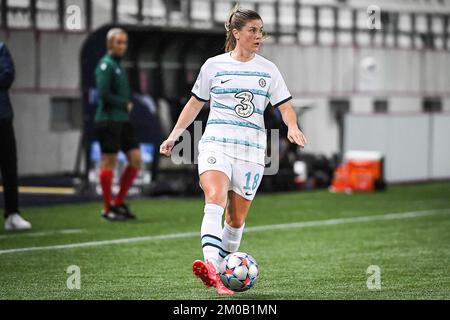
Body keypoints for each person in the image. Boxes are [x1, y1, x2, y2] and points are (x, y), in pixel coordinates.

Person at [160, 6, 307, 295]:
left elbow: (285, 106)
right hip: (216, 143)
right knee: (214, 198)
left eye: (261, 31)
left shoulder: (268, 69)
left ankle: (226, 271)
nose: (258, 36)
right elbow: (194, 103)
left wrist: (292, 126)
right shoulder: (213, 66)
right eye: (252, 30)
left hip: (252, 152)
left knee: (236, 220)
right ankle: (213, 270)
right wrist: (175, 135)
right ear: (236, 33)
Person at [95, 28, 141, 221]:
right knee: (109, 162)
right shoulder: (105, 65)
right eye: (118, 42)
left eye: (124, 42)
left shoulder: (119, 65)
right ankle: (107, 208)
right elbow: (103, 93)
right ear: (109, 44)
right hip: (108, 119)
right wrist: (124, 104)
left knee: (136, 159)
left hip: (122, 120)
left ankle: (118, 202)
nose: (122, 46)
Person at [0, 41, 32, 231]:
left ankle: (12, 214)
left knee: (9, 166)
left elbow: (7, 76)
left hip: (2, 117)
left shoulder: (1, 48)